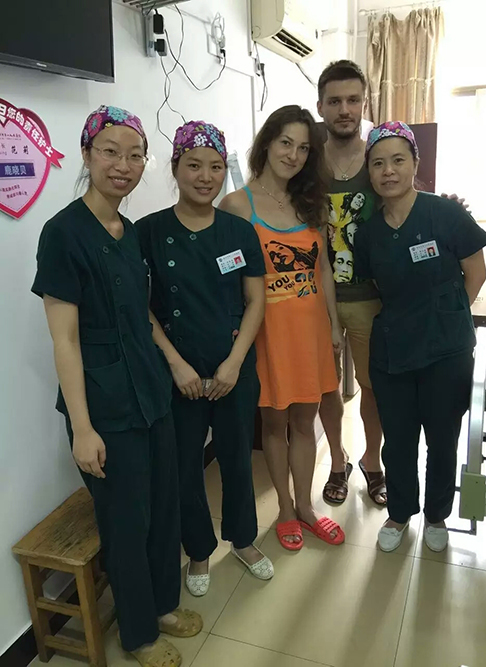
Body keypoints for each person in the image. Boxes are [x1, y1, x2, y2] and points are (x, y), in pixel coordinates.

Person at [32, 106, 203, 667]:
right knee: (127, 523)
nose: (122, 165)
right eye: (109, 151)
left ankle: (163, 605)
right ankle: (139, 636)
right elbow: (64, 340)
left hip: (150, 391)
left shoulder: (128, 233)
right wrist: (82, 428)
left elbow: (142, 315)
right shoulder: (63, 233)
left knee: (164, 507)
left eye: (134, 155)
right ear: (86, 155)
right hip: (104, 404)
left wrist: (174, 362)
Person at [317, 59, 470, 508]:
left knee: (375, 388)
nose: (344, 109)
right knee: (325, 387)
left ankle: (372, 462)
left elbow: (410, 204)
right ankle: (337, 462)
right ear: (321, 106)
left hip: (374, 299)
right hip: (319, 296)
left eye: (353, 100)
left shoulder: (377, 154)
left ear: (364, 103)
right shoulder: (308, 162)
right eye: (334, 101)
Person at [135, 120, 273, 598]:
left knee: (237, 459)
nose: (206, 176)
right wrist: (176, 364)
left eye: (215, 167)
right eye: (194, 165)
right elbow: (141, 308)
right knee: (184, 467)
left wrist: (234, 363)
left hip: (233, 367)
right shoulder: (148, 232)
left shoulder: (239, 231)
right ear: (175, 168)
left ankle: (243, 539)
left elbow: (256, 301)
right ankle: (197, 549)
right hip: (180, 373)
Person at [354, 121, 486, 552]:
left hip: (447, 351)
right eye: (378, 163)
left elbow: (477, 273)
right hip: (393, 350)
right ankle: (399, 514)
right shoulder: (369, 233)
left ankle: (436, 514)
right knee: (398, 440)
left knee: (442, 438)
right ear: (369, 172)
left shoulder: (445, 214)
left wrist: (448, 317)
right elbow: (378, 286)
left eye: (398, 160)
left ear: (415, 163)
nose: (388, 171)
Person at [220, 105, 345, 551]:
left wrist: (333, 325)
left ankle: (307, 507)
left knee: (305, 421)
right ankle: (285, 509)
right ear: (267, 143)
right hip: (267, 331)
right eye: (285, 143)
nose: (293, 155)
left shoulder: (311, 202)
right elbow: (227, 277)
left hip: (310, 330)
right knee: (274, 423)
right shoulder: (237, 205)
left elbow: (323, 269)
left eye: (303, 148)